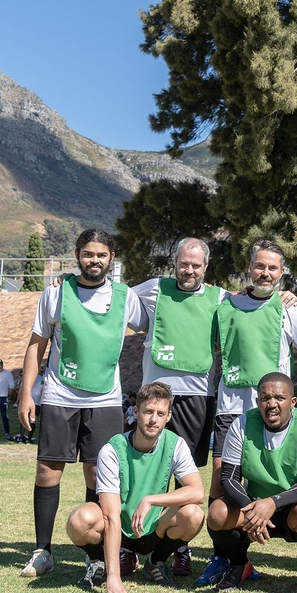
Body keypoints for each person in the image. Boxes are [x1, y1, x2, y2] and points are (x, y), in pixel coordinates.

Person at [18, 228, 148, 579]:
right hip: (60, 396)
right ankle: (43, 551)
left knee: (98, 474)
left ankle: (95, 555)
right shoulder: (56, 293)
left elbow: (158, 324)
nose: (95, 261)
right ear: (77, 255)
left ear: (111, 258)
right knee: (48, 472)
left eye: (101, 255)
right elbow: (36, 345)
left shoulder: (126, 297)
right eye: (88, 254)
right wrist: (26, 393)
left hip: (106, 400)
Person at [195, 240, 297, 587]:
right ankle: (226, 559)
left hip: (276, 412)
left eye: (273, 268)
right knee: (221, 489)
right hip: (231, 409)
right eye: (260, 266)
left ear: (283, 273)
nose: (266, 273)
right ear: (249, 267)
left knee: (288, 479)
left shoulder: (291, 309)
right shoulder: (225, 303)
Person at [130, 238, 228, 575]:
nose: (188, 270)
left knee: (185, 476)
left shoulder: (220, 298)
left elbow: (256, 304)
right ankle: (132, 542)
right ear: (175, 262)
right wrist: (64, 281)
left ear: (206, 267)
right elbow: (112, 297)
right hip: (155, 396)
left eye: (195, 265)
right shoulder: (153, 289)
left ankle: (178, 546)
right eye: (183, 264)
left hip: (197, 396)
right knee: (142, 467)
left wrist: (287, 295)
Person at [65, 382, 206, 593]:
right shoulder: (112, 450)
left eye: (160, 413)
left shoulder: (175, 444)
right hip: (118, 528)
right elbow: (111, 517)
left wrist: (151, 500)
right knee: (80, 521)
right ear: (136, 412)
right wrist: (115, 576)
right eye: (148, 412)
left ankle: (155, 563)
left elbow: (197, 492)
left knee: (193, 515)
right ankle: (98, 562)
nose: (153, 419)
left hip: (152, 528)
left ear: (168, 416)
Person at [206, 372, 297, 593]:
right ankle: (239, 563)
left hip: (294, 507)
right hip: (253, 505)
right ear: (257, 401)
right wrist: (254, 512)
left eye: (279, 398)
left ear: (293, 402)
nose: (271, 404)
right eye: (265, 398)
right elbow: (228, 478)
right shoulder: (242, 424)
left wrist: (273, 502)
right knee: (217, 512)